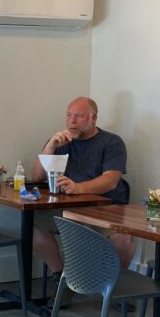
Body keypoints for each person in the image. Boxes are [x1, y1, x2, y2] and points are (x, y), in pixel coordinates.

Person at [30, 97, 133, 304]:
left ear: (93, 118)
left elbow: (111, 180)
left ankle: (113, 285)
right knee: (31, 229)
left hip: (105, 208)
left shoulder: (111, 142)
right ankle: (63, 278)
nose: (72, 121)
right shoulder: (60, 141)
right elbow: (37, 176)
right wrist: (50, 146)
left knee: (122, 241)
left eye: (79, 116)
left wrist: (78, 188)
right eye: (69, 115)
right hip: (67, 209)